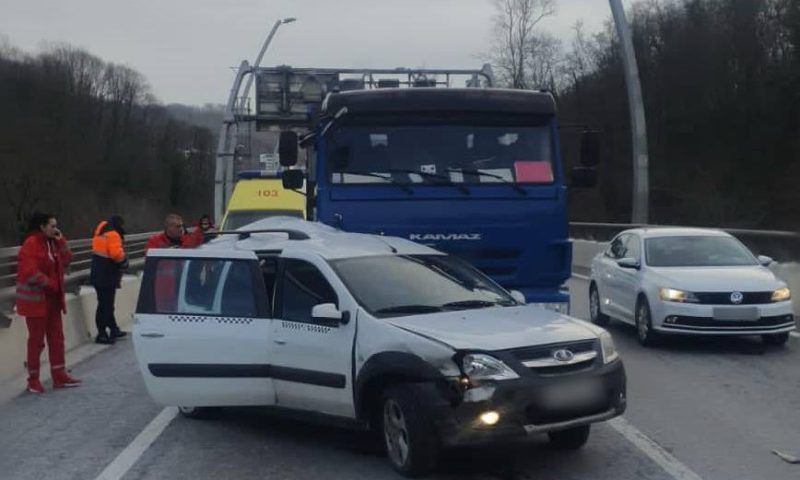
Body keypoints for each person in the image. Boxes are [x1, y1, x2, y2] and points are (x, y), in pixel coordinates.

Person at [16, 212, 81, 393]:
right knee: (37, 342)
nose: (55, 229)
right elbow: (29, 272)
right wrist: (51, 284)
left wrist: (61, 240)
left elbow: (67, 259)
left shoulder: (52, 243)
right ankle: (33, 380)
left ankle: (59, 376)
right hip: (36, 301)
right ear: (42, 227)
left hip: (52, 300)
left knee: (57, 339)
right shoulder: (31, 244)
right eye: (52, 226)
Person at [90, 215, 128, 344]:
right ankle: (101, 333)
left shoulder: (101, 232)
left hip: (98, 272)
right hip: (107, 273)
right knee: (105, 305)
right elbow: (116, 254)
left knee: (106, 303)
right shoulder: (113, 234)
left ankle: (113, 328)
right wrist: (124, 262)